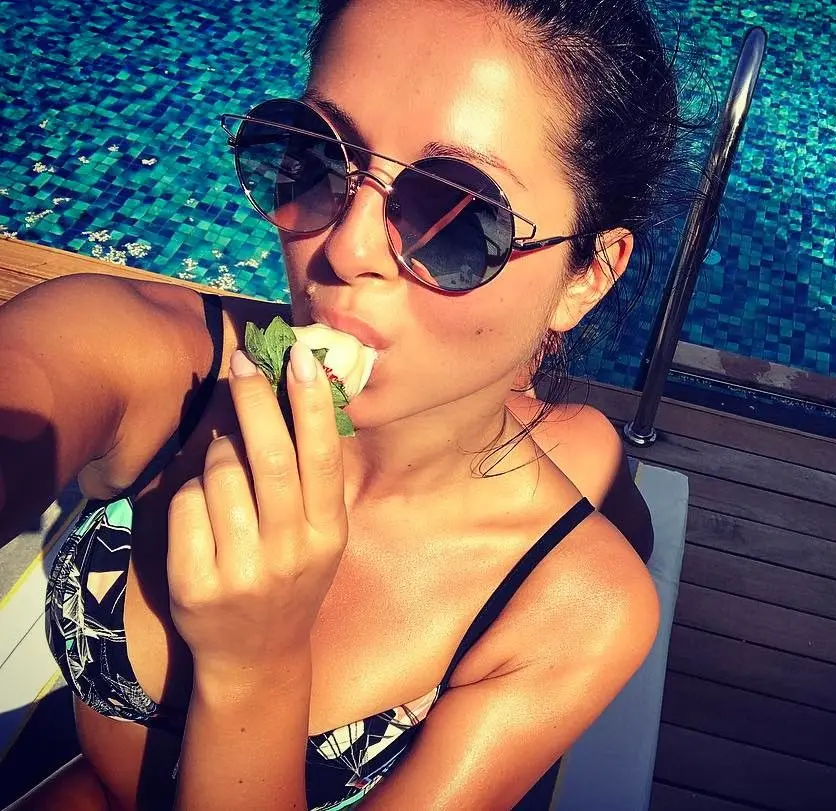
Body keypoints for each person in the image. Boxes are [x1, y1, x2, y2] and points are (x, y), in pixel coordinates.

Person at [0, 0, 680, 807]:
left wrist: (255, 668)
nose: (344, 250)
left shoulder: (573, 609)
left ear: (588, 275)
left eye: (457, 215)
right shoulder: (152, 361)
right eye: (318, 155)